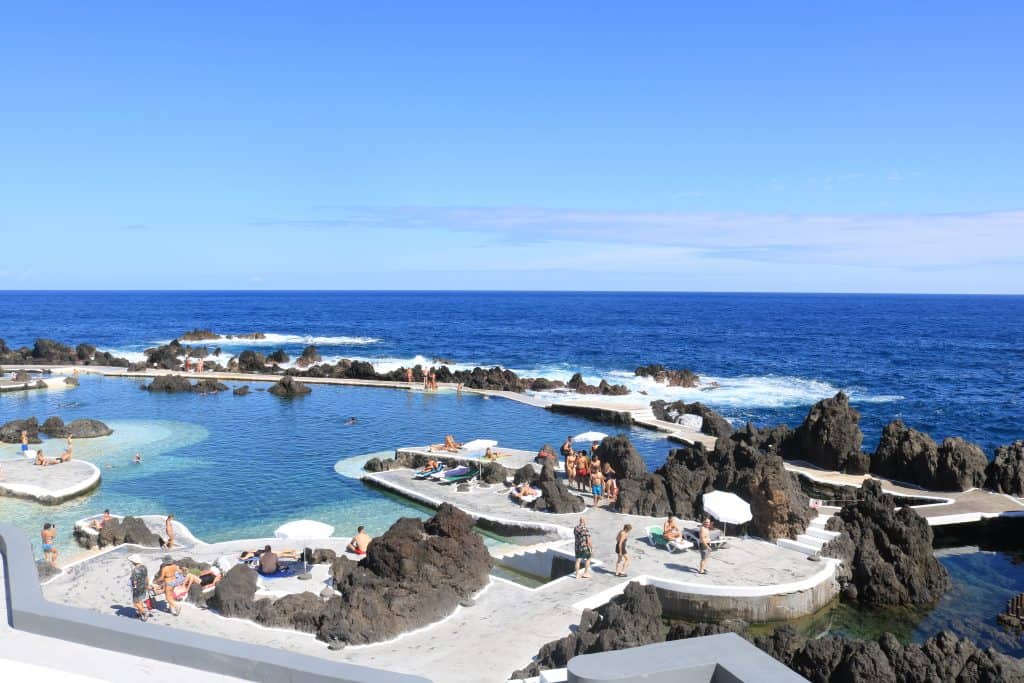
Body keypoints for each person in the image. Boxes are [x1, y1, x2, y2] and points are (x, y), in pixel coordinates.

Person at [127, 554, 152, 621]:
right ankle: (141, 614)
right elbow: (146, 577)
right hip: (144, 586)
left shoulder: (135, 570)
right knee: (140, 600)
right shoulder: (144, 567)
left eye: (132, 561)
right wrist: (148, 585)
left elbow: (134, 582)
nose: (131, 562)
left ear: (134, 561)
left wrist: (133, 588)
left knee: (135, 602)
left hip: (137, 588)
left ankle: (144, 612)